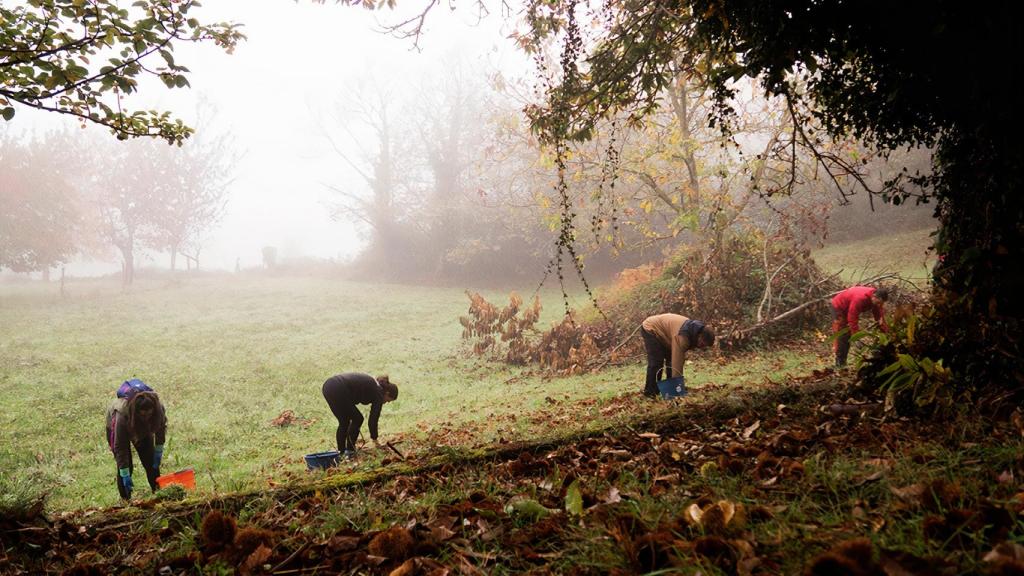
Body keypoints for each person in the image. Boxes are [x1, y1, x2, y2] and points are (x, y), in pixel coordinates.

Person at [105, 379, 167, 501]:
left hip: (141, 428)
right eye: (143, 415)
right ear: (136, 412)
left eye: (149, 414)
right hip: (117, 427)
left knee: (150, 462)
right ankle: (126, 500)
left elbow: (160, 428)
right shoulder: (122, 416)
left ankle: (159, 494)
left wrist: (158, 450)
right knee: (126, 467)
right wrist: (124, 472)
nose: (146, 417)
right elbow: (120, 447)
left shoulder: (158, 408)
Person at [322, 373, 398, 458]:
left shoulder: (376, 386)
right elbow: (373, 419)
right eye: (388, 400)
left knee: (344, 422)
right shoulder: (379, 393)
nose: (386, 403)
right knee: (358, 419)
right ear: (387, 393)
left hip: (328, 386)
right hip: (338, 388)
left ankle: (342, 453)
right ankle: (349, 450)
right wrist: (375, 439)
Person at [640, 313, 715, 397]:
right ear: (700, 336)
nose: (702, 347)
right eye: (702, 344)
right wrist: (678, 391)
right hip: (651, 328)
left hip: (667, 335)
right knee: (656, 362)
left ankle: (669, 392)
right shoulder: (683, 337)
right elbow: (676, 364)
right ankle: (650, 393)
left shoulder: (693, 331)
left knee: (670, 361)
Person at [831, 285, 890, 367]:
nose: (879, 305)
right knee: (843, 334)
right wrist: (856, 337)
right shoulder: (859, 299)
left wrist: (886, 331)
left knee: (847, 333)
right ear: (874, 297)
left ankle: (842, 361)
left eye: (881, 303)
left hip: (849, 307)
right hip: (839, 307)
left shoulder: (875, 299)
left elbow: (879, 315)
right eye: (878, 302)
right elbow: (852, 318)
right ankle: (839, 362)